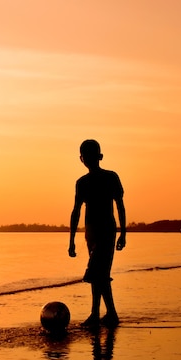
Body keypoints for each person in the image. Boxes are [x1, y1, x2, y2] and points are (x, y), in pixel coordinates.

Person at [68, 139, 126, 328]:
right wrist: (71, 240)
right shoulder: (82, 183)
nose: (89, 160)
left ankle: (100, 314)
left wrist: (123, 233)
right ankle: (107, 313)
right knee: (98, 275)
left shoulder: (111, 177)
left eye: (92, 156)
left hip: (107, 231)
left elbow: (120, 206)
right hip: (90, 233)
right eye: (86, 156)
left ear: (99, 157)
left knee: (97, 273)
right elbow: (76, 211)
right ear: (81, 159)